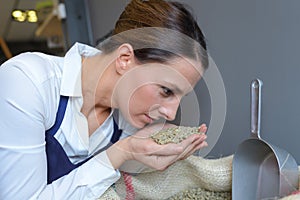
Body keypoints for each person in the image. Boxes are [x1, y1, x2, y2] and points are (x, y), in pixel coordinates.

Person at [0, 0, 209, 199]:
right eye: (166, 91)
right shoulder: (29, 82)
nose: (171, 113)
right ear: (124, 59)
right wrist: (121, 152)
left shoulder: (129, 124)